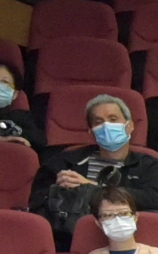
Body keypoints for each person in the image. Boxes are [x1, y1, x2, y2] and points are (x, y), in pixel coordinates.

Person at [34, 93, 141, 244]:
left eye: (113, 119)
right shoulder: (65, 160)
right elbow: (37, 200)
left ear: (129, 126)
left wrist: (90, 186)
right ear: (91, 132)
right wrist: (57, 190)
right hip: (70, 237)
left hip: (128, 236)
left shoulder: (148, 163)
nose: (106, 126)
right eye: (99, 122)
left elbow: (151, 199)